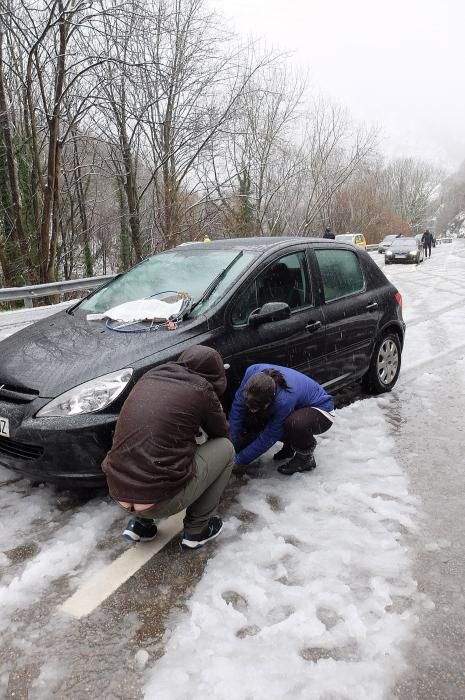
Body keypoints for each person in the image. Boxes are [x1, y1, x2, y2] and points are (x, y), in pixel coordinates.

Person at [102, 345, 234, 550]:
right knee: (226, 449)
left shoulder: (149, 377)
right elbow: (221, 434)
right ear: (214, 375)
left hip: (118, 487)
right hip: (160, 501)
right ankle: (197, 530)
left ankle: (141, 525)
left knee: (151, 449)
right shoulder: (201, 388)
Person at [229, 364, 335, 476]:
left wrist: (239, 460)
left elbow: (269, 436)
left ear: (270, 399)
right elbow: (237, 409)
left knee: (294, 424)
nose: (252, 410)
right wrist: (233, 444)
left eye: (257, 407)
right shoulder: (251, 373)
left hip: (322, 411)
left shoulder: (284, 400)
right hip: (297, 406)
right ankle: (289, 447)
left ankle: (305, 459)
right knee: (257, 417)